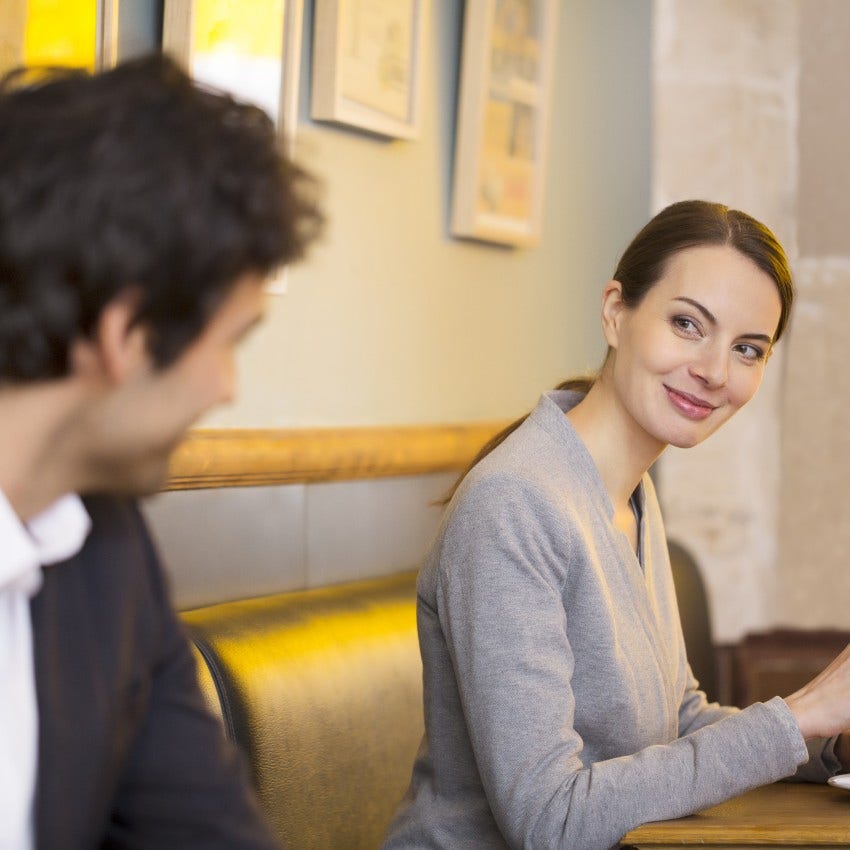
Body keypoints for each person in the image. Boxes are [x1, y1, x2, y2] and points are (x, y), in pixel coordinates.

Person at [382, 200, 850, 850]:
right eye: (688, 324)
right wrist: (800, 714)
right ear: (615, 312)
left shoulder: (628, 493)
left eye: (748, 348)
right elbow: (551, 821)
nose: (715, 371)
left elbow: (677, 720)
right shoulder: (515, 503)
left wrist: (829, 741)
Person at [0, 54, 322, 849]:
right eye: (229, 343)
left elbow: (209, 831)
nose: (227, 387)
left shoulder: (109, 552)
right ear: (127, 333)